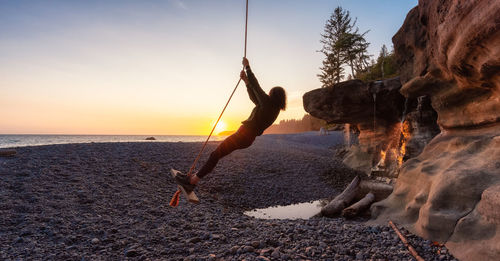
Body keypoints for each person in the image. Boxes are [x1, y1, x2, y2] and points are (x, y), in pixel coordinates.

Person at [175, 57, 287, 193]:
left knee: (215, 154)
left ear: (272, 96)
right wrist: (246, 81)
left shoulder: (269, 105)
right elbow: (255, 97)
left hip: (244, 135)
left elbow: (256, 88)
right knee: (216, 154)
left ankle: (192, 181)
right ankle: (192, 178)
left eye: (269, 93)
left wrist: (248, 67)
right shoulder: (271, 108)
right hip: (246, 137)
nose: (267, 95)